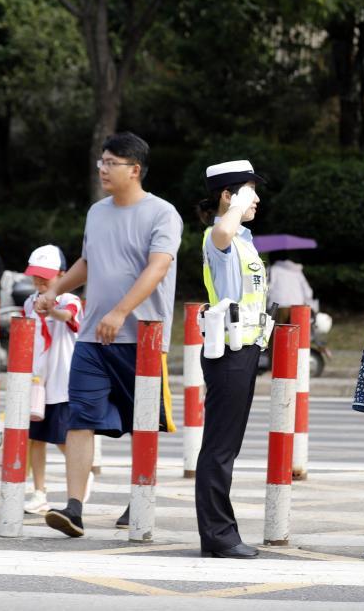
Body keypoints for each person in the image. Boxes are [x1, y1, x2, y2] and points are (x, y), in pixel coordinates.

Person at [38, 132, 182, 538]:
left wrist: (122, 312)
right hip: (91, 338)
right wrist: (55, 290)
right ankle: (74, 508)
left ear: (134, 170)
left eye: (111, 163)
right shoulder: (97, 212)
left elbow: (157, 268)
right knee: (80, 417)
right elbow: (87, 261)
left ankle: (140, 496)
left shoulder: (163, 214)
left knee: (143, 425)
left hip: (142, 340)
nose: (102, 168)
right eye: (101, 161)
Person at [194, 159, 271, 559]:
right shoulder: (219, 236)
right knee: (220, 447)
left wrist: (239, 211)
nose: (256, 198)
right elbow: (222, 229)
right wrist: (237, 207)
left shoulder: (243, 239)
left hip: (244, 350)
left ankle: (219, 533)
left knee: (227, 445)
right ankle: (219, 535)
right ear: (228, 195)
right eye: (248, 190)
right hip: (228, 352)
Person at [21, 245, 84, 515]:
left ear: (61, 274)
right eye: (35, 276)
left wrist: (51, 310)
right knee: (35, 438)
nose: (39, 281)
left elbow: (69, 318)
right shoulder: (28, 302)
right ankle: (39, 492)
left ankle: (83, 473)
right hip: (37, 381)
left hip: (62, 380)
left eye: (45, 276)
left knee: (61, 438)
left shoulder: (69, 299)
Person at [266, 252, 315, 325]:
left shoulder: (272, 269)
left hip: (275, 306)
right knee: (295, 334)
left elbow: (266, 289)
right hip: (297, 307)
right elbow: (308, 293)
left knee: (274, 333)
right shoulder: (297, 271)